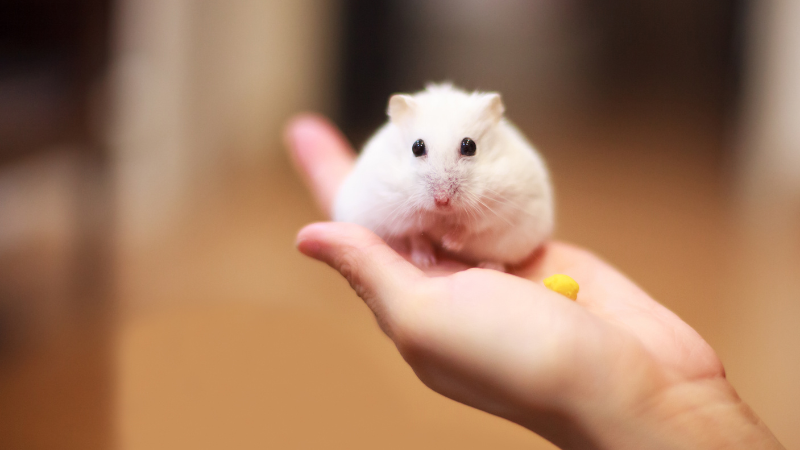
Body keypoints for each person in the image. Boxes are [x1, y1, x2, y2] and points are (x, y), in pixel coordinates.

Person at [285, 114, 785, 450]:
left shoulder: (511, 169)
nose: (442, 191)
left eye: (466, 152)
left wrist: (669, 405)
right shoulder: (388, 165)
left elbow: (523, 216)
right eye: (419, 152)